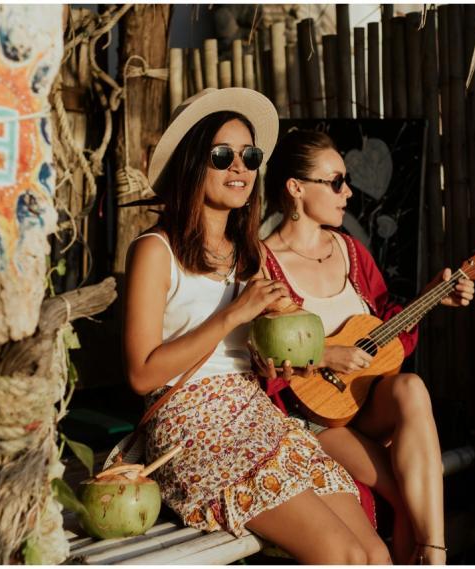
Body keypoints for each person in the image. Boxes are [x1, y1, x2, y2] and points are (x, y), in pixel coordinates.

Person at [122, 88, 391, 564]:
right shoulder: (154, 251)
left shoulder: (248, 254)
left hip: (258, 417)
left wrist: (278, 364)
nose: (240, 168)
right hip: (193, 428)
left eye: (249, 157)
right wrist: (233, 314)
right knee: (342, 555)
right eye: (222, 155)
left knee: (373, 552)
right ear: (192, 162)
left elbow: (257, 359)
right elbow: (142, 374)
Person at [260, 129, 475, 564]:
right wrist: (324, 355)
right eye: (336, 182)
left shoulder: (351, 251)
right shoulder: (263, 264)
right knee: (406, 495)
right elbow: (261, 356)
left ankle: (435, 552)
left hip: (368, 403)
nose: (348, 193)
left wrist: (431, 297)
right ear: (296, 188)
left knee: (411, 386)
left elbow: (383, 328)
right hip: (315, 421)